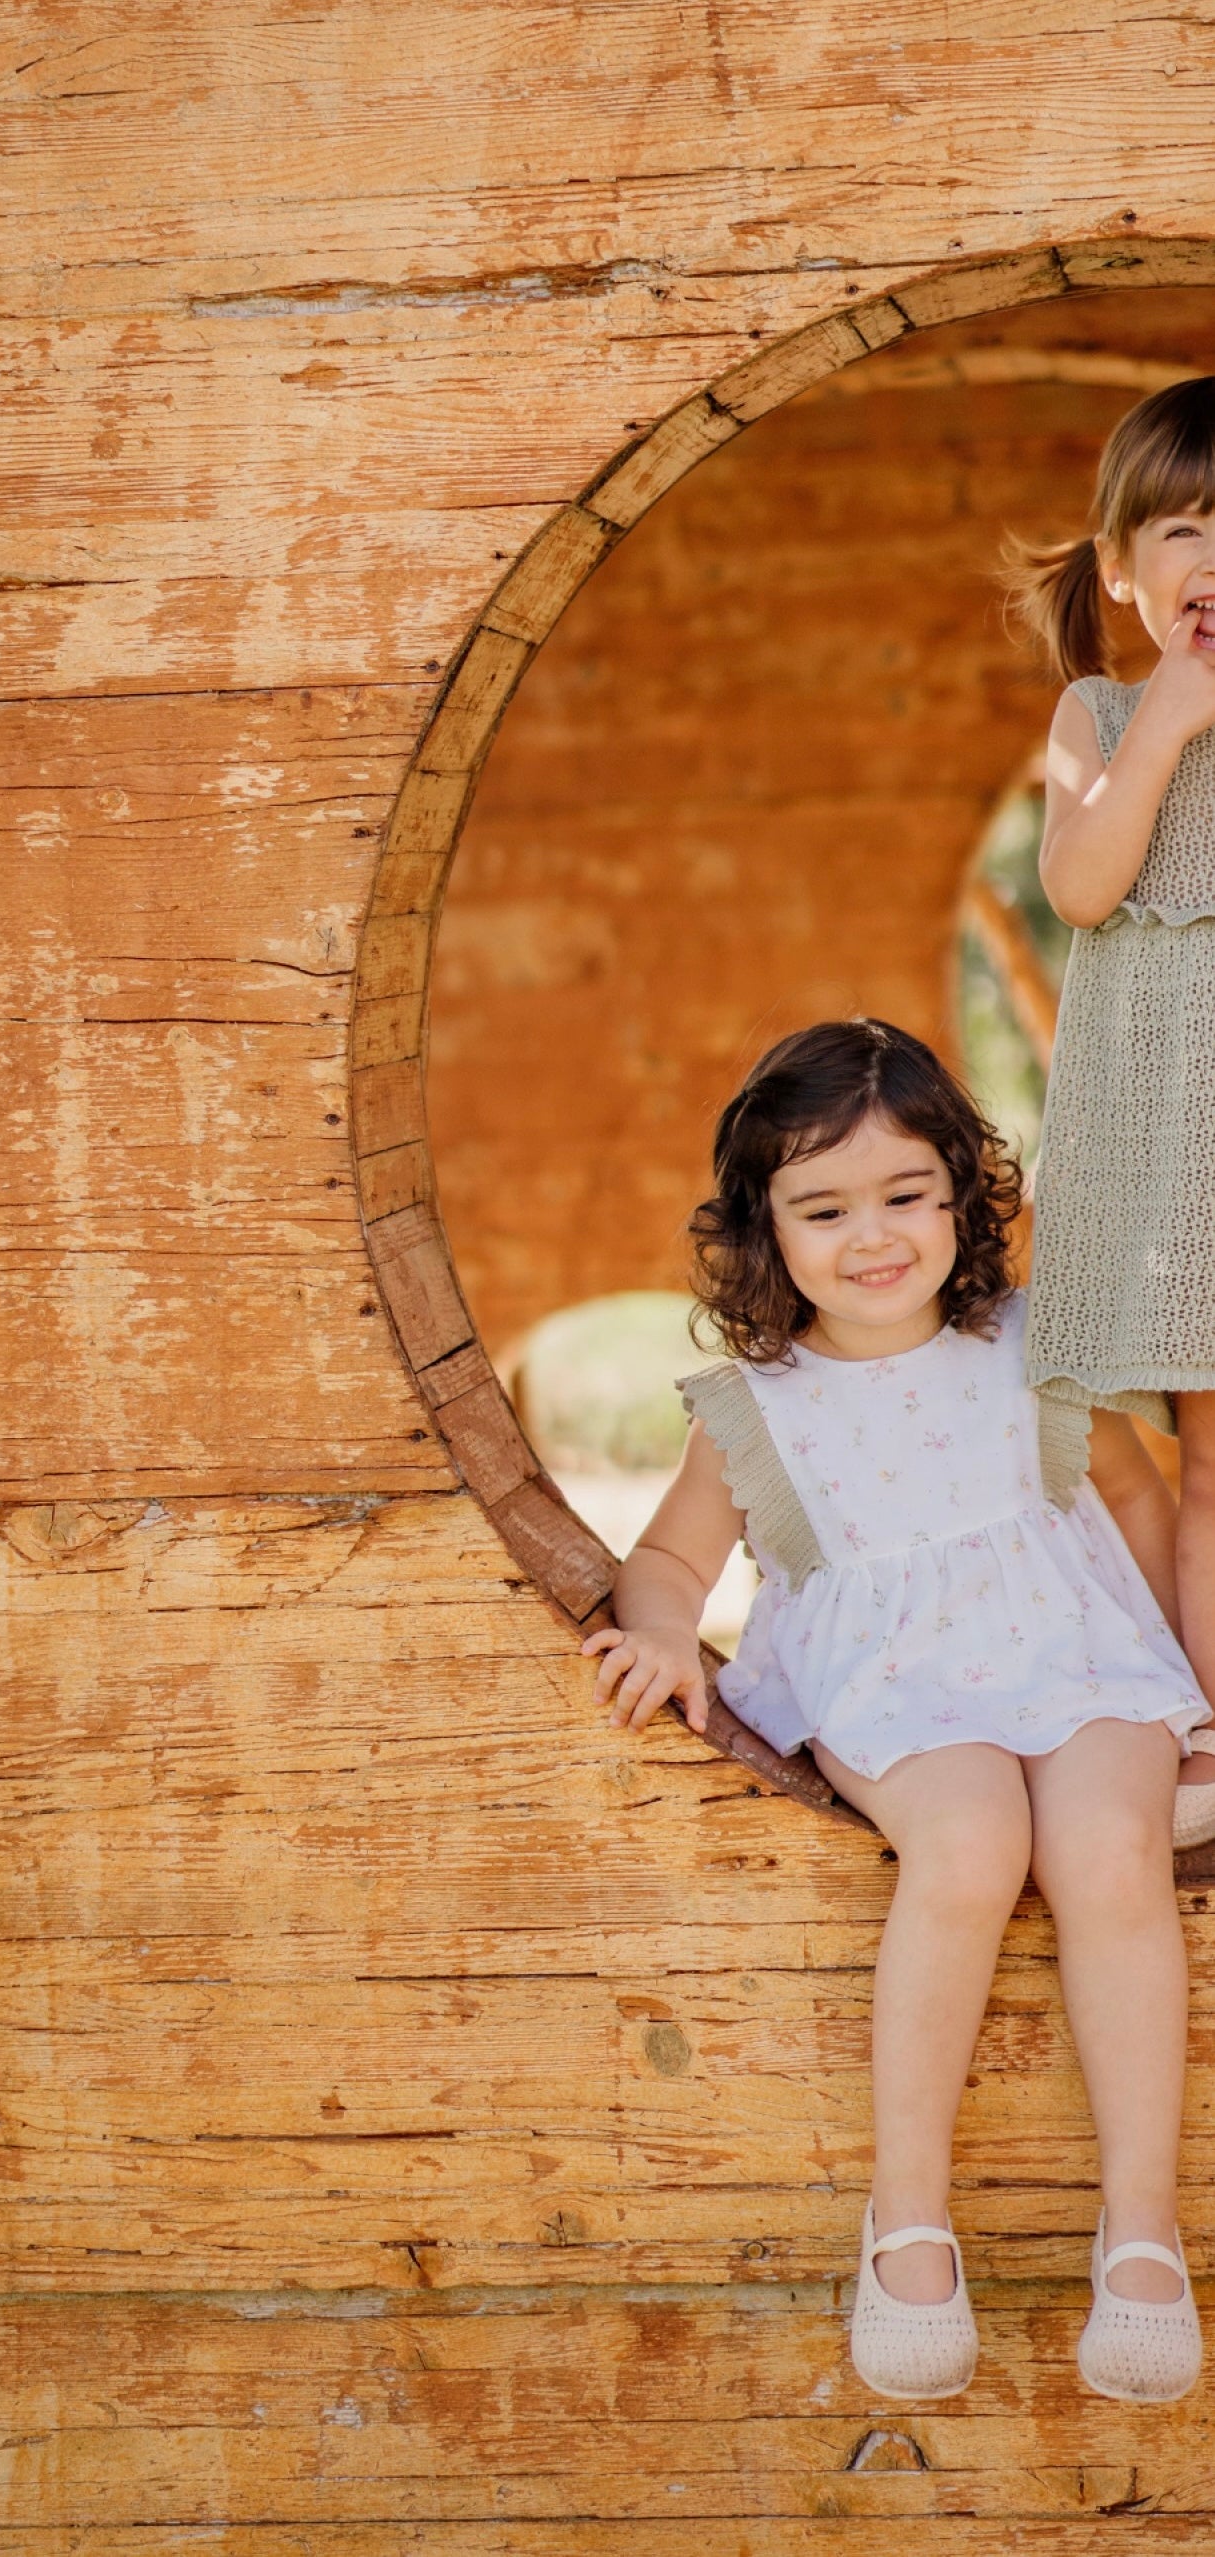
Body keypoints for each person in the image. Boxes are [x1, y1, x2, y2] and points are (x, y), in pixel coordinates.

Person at [584, 1020, 1207, 2404]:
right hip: (895, 1679)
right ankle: (909, 2216)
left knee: (1112, 1846)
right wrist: (662, 1629)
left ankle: (1143, 2225)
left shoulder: (1031, 1343)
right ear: (764, 1226)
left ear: (964, 1196)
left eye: (905, 1195)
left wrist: (1193, 1685)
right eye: (823, 1207)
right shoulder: (764, 1404)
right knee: (974, 1839)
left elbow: (1141, 1497)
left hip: (1080, 1647)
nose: (872, 1237)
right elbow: (675, 1557)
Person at [1007, 377, 1215, 1848]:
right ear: (1123, 568)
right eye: (1186, 527)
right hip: (1170, 1164)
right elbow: (1081, 887)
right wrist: (1175, 726)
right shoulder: (1101, 711)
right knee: (1208, 1460)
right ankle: (1207, 1719)